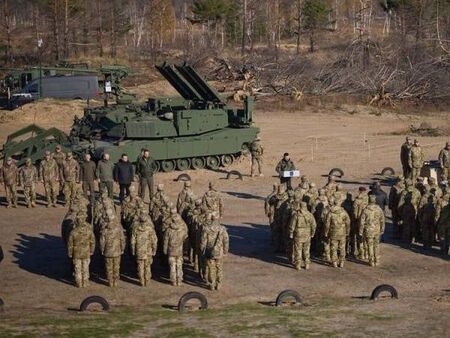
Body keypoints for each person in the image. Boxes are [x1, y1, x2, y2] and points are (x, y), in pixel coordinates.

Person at [200, 213, 229, 290]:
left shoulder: (206, 228)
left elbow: (203, 241)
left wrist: (203, 251)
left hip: (209, 251)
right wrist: (225, 251)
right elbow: (226, 241)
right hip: (219, 252)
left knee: (211, 268)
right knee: (219, 268)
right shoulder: (222, 229)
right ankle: (218, 284)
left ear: (211, 219)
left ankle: (212, 284)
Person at [67, 212, 96, 287]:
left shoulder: (73, 232)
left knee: (77, 268)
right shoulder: (89, 230)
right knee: (86, 267)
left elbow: (70, 244)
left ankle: (79, 282)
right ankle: (85, 282)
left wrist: (70, 253)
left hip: (76, 253)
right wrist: (92, 251)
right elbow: (93, 241)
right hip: (86, 252)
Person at [130, 212, 158, 286]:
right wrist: (154, 250)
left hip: (139, 251)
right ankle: (147, 281)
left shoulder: (135, 229)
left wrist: (133, 250)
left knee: (140, 266)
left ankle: (141, 281)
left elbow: (132, 241)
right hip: (148, 251)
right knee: (147, 266)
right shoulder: (150, 229)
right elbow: (154, 240)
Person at [100, 209, 126, 287]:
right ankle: (116, 281)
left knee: (109, 268)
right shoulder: (118, 229)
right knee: (116, 267)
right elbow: (122, 239)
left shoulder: (104, 230)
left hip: (107, 251)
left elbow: (102, 242)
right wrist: (122, 248)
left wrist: (102, 250)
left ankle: (110, 282)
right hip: (117, 251)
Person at [163, 208, 188, 286]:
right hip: (179, 251)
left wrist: (165, 250)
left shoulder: (168, 230)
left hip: (171, 251)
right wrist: (185, 250)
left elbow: (165, 241)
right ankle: (179, 280)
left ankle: (173, 281)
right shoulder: (183, 230)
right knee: (179, 266)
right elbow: (186, 241)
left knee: (172, 266)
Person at [289, 202, 316, 270]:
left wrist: (291, 233)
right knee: (306, 249)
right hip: (307, 234)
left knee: (298, 249)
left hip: (298, 234)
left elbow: (292, 225)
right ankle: (307, 264)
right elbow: (314, 225)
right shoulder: (310, 215)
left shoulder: (296, 215)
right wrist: (312, 233)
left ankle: (298, 264)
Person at [360, 195, 385, 266]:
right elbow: (382, 220)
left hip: (368, 230)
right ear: (375, 201)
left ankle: (371, 261)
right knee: (376, 245)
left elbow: (362, 222)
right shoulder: (379, 209)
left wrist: (361, 231)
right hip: (377, 230)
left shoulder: (365, 210)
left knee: (370, 245)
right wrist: (382, 229)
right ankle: (377, 260)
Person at [325, 198, 351, 268]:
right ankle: (342, 262)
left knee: (333, 248)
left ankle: (334, 263)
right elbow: (348, 222)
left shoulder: (330, 212)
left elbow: (327, 224)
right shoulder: (344, 212)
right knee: (342, 247)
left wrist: (326, 232)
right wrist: (348, 231)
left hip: (333, 232)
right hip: (342, 232)